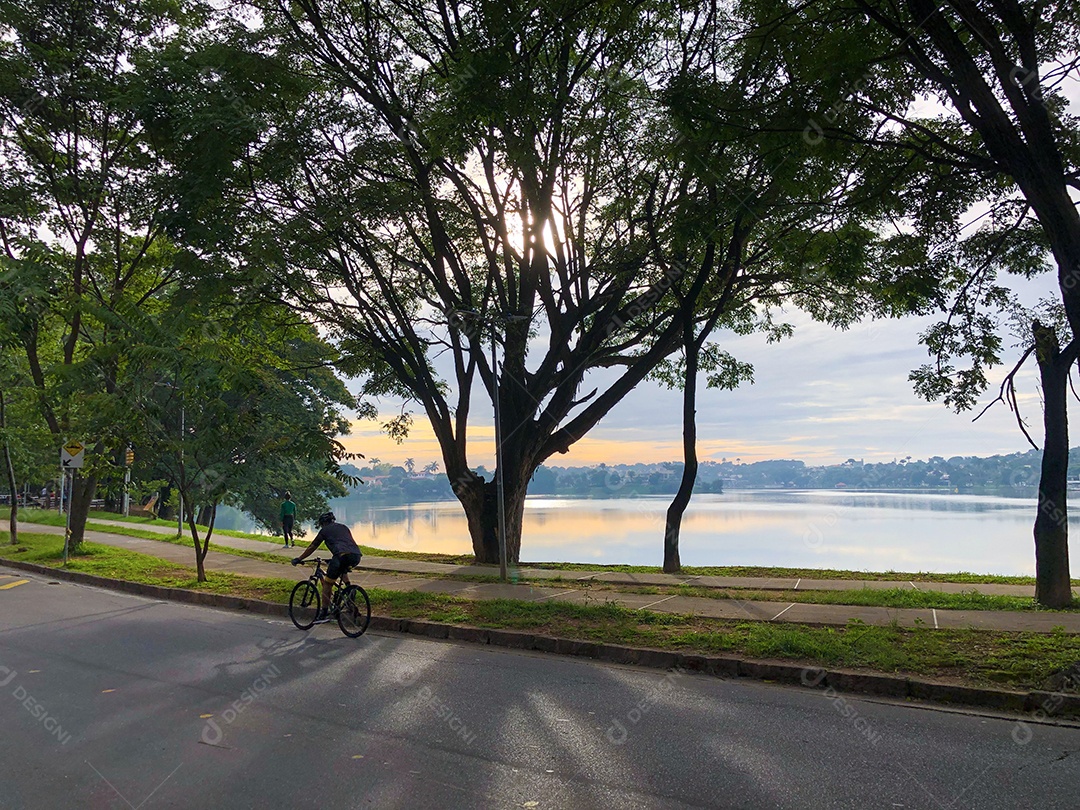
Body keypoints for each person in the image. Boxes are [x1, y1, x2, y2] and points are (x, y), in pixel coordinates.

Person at [291, 511, 361, 623]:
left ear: (323, 523)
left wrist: (299, 559)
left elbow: (312, 547)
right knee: (341, 568)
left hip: (340, 556)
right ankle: (349, 589)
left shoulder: (324, 530)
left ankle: (323, 613)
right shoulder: (344, 527)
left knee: (328, 583)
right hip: (356, 555)